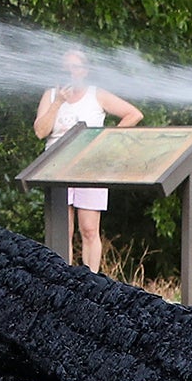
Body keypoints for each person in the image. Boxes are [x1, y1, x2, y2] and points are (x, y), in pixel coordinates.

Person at [34, 49, 141, 272]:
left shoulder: (97, 94)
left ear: (85, 70)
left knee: (90, 228)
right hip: (57, 168)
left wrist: (106, 141)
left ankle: (90, 281)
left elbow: (133, 114)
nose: (70, 72)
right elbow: (40, 132)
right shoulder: (51, 95)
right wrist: (58, 102)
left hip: (91, 167)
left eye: (75, 67)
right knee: (64, 229)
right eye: (66, 67)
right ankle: (63, 278)